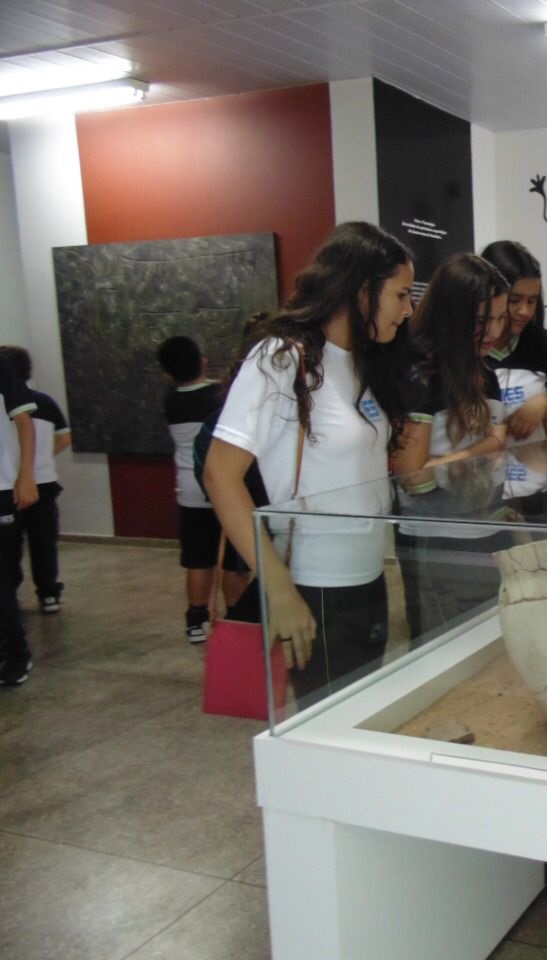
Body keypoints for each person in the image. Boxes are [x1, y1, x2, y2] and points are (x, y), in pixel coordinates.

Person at [204, 221, 414, 704]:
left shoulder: (361, 361)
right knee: (322, 734)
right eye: (401, 295)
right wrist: (278, 587)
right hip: (313, 587)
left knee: (358, 723)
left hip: (368, 578)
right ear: (363, 289)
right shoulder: (281, 359)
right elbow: (220, 473)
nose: (408, 310)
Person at [391, 253, 509, 642]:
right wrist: (483, 448)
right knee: (438, 647)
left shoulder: (483, 374)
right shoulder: (421, 373)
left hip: (484, 530)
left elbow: (498, 453)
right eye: (481, 321)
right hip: (434, 539)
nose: (493, 331)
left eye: (499, 318)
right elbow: (415, 477)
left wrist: (450, 462)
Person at [156, 336, 224, 641]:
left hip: (189, 490)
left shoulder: (171, 401)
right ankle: (238, 616)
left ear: (167, 374)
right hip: (225, 488)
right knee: (234, 560)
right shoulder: (220, 397)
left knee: (198, 558)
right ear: (203, 361)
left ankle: (196, 619)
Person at [0, 346, 70, 614]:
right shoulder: (46, 401)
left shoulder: (13, 403)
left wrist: (24, 469)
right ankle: (48, 593)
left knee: (13, 544)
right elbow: (64, 438)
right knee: (43, 542)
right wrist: (43, 460)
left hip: (17, 483)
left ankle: (12, 591)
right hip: (42, 480)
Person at [479, 240, 547, 442]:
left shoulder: (545, 345)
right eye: (514, 300)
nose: (525, 311)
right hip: (481, 471)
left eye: (532, 301)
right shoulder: (465, 350)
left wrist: (544, 404)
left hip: (534, 469)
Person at [0, 352, 38, 687]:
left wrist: (26, 475)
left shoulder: (1, 366)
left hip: (1, 489)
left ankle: (17, 652)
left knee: (4, 579)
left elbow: (24, 422)